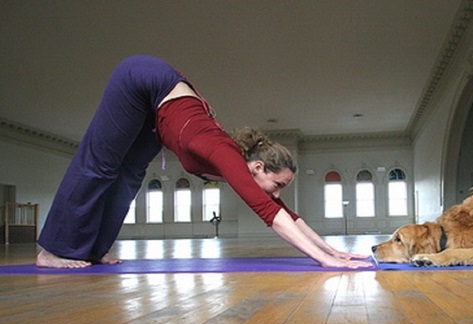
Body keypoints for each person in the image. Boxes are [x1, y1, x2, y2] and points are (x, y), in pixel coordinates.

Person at [36, 55, 371, 269]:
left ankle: (94, 249)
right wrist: (324, 260)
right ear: (257, 168)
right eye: (278, 185)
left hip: (159, 115)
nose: (278, 194)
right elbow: (270, 215)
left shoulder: (237, 165)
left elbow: (288, 215)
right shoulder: (227, 156)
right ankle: (53, 249)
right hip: (142, 79)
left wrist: (333, 250)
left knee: (130, 176)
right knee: (102, 164)